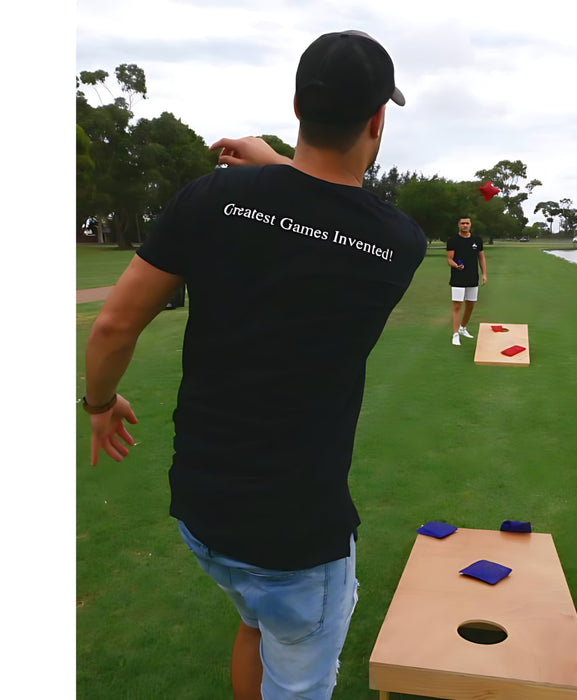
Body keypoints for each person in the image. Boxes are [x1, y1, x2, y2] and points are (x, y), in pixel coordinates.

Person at [83, 30, 426, 700]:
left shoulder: (208, 200)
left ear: (297, 105)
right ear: (378, 120)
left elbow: (116, 323)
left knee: (255, 623)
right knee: (297, 673)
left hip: (204, 510)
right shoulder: (398, 243)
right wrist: (274, 167)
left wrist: (99, 405)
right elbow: (330, 211)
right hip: (298, 534)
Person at [446, 216, 487, 345]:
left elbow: (481, 257)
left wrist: (484, 274)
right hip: (458, 278)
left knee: (470, 305)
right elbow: (449, 259)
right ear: (459, 225)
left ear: (470, 225)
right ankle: (455, 334)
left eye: (467, 223)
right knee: (457, 306)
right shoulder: (453, 241)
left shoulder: (477, 240)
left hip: (472, 277)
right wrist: (456, 265)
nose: (465, 225)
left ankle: (463, 328)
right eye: (462, 223)